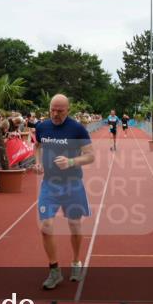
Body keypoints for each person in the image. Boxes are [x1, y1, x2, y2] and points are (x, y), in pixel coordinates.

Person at [33, 94, 95, 290]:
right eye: (53, 109)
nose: (55, 114)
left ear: (68, 110)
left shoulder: (77, 129)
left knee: (75, 224)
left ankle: (76, 262)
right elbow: (37, 146)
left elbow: (90, 156)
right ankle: (54, 271)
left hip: (73, 183)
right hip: (50, 184)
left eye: (60, 111)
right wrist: (37, 161)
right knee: (46, 226)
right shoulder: (42, 127)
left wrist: (71, 162)